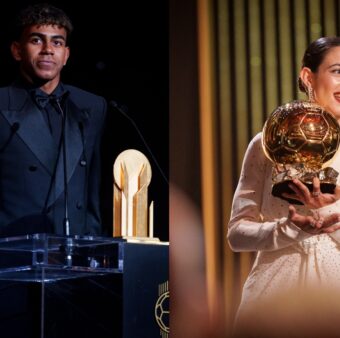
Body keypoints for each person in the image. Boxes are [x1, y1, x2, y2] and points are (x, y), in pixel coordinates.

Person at [227, 36, 340, 336]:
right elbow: (237, 234)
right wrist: (290, 229)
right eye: (338, 71)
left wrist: (328, 214)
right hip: (272, 294)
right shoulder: (268, 143)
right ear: (308, 76)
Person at [0, 3, 107, 237]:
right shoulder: (2, 103)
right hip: (14, 255)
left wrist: (93, 251)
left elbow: (92, 194)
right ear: (17, 50)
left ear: (66, 55)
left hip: (73, 257)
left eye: (57, 42)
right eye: (37, 40)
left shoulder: (91, 106)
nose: (48, 49)